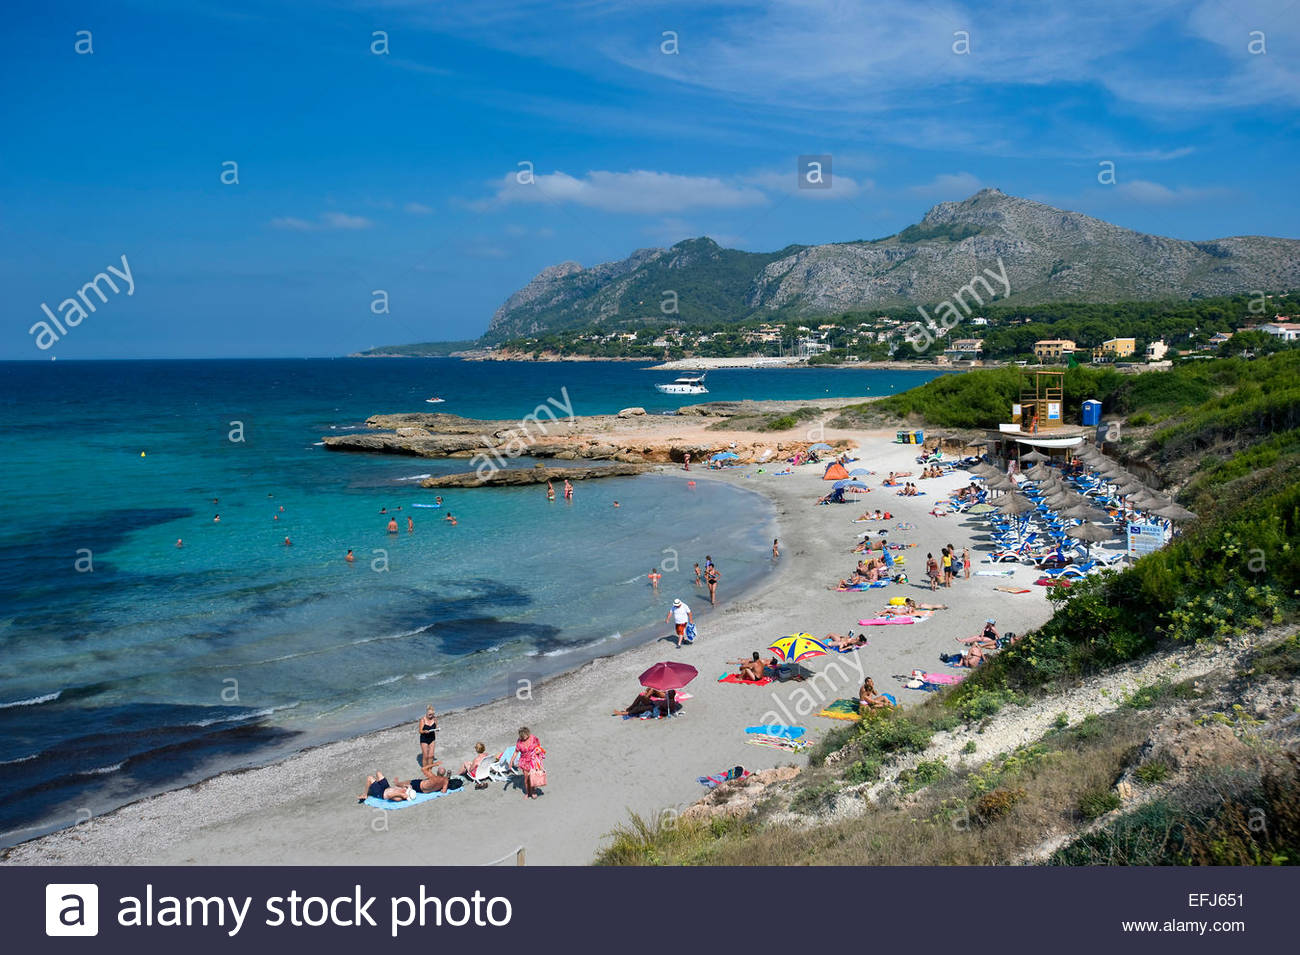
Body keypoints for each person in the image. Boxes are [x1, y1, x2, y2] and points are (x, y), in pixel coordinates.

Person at [510, 727, 546, 799]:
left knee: (532, 776)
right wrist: (511, 761)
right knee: (526, 778)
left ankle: (533, 791)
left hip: (533, 760)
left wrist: (538, 753)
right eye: (522, 736)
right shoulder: (519, 742)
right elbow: (516, 752)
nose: (524, 738)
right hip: (524, 761)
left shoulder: (533, 738)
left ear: (528, 733)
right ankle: (527, 792)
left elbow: (538, 746)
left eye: (525, 736)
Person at [417, 705, 439, 770]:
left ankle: (430, 769)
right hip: (424, 739)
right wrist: (424, 731)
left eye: (432, 714)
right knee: (425, 756)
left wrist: (437, 729)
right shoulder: (423, 720)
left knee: (431, 755)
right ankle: (425, 769)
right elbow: (420, 731)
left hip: (432, 738)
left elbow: (436, 727)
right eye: (429, 714)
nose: (431, 716)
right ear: (426, 713)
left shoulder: (434, 719)